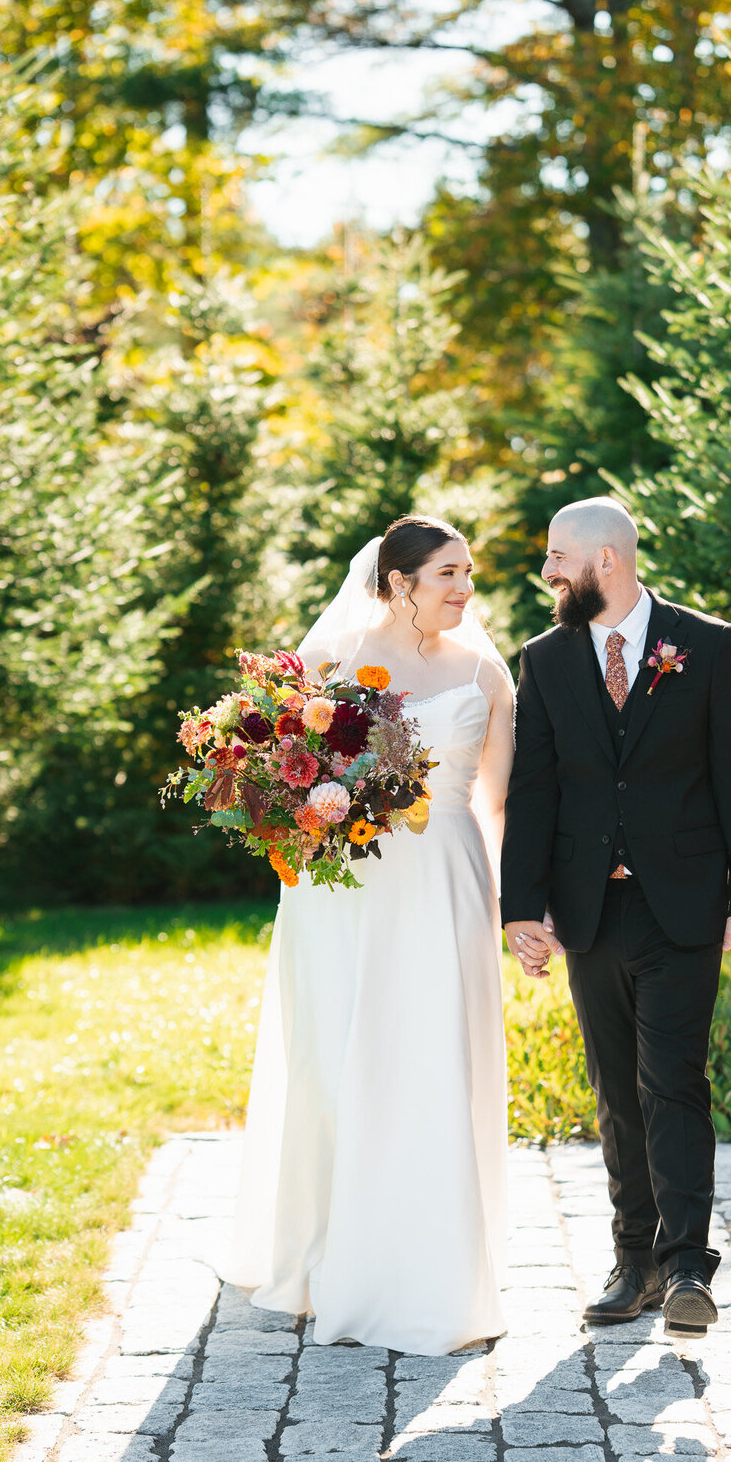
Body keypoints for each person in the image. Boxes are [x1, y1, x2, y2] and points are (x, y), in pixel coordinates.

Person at [224, 516, 516, 1356]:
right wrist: (305, 815)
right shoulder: (332, 671)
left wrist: (515, 902)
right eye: (449, 575)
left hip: (446, 881)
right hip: (343, 892)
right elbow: (279, 780)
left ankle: (434, 1263)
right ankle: (327, 1252)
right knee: (336, 1059)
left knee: (433, 1056)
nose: (465, 589)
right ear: (399, 583)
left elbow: (501, 802)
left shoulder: (485, 672)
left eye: (469, 573)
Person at [500, 497, 731, 1338]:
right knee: (617, 1092)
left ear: (606, 562)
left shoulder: (705, 644)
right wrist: (521, 909)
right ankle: (636, 1262)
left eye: (557, 557)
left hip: (685, 903)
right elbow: (536, 789)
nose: (547, 572)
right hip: (593, 909)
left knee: (674, 1083)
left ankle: (690, 1263)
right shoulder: (545, 660)